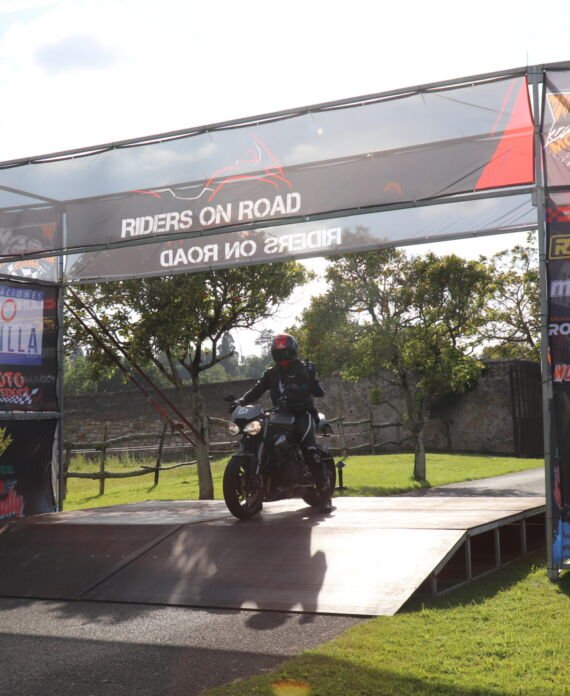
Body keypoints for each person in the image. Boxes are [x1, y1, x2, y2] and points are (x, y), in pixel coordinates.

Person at [236, 333, 333, 513]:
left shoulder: (304, 368)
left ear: (293, 351)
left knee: (309, 450)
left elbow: (319, 393)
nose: (283, 356)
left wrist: (312, 377)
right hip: (280, 415)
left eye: (286, 352)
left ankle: (325, 495)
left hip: (303, 413)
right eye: (279, 352)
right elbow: (257, 390)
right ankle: (260, 491)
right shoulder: (271, 373)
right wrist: (240, 401)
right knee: (262, 440)